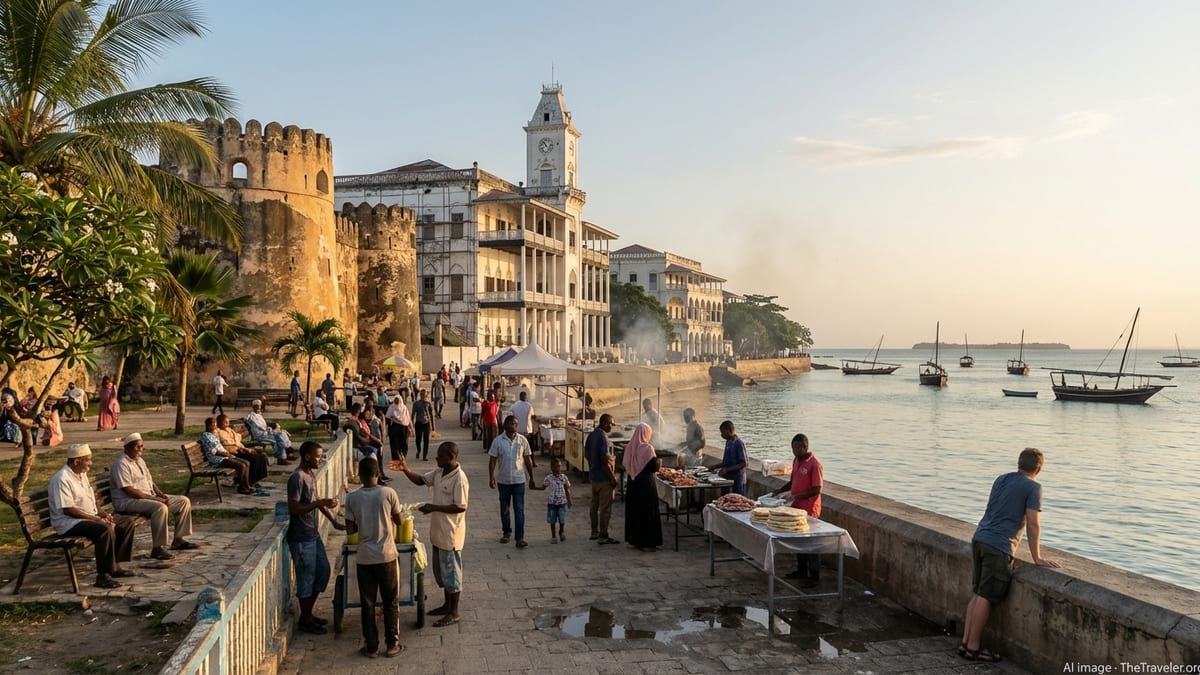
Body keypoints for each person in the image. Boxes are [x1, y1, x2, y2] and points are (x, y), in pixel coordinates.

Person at [959, 448, 1061, 663]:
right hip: (999, 545)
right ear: (1039, 468)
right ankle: (974, 648)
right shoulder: (1034, 487)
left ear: (1018, 464)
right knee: (986, 597)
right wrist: (1037, 557)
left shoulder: (1001, 479)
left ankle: (966, 643)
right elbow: (1033, 523)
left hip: (980, 538)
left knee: (978, 593)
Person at [393, 442, 468, 628]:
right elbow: (420, 480)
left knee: (452, 574)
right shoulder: (439, 473)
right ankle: (446, 605)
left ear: (450, 457)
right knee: (443, 573)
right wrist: (405, 469)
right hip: (438, 532)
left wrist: (433, 507)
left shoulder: (459, 478)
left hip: (451, 534)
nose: (437, 459)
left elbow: (460, 506)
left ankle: (454, 611)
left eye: (440, 456)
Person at [48, 444, 137, 588]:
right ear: (76, 461)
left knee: (126, 522)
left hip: (88, 517)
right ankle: (103, 576)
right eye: (88, 460)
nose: (91, 463)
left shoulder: (81, 474)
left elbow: (91, 500)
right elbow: (68, 510)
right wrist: (97, 519)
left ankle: (114, 566)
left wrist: (103, 514)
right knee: (104, 529)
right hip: (69, 523)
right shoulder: (62, 478)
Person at [343, 457, 406, 658]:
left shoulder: (352, 498)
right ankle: (392, 644)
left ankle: (371, 647)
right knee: (390, 601)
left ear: (359, 476)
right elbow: (399, 521)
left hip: (364, 558)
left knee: (367, 603)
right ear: (378, 474)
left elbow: (350, 529)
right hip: (386, 555)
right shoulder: (388, 493)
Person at [287, 441, 345, 634]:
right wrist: (320, 502)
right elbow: (294, 507)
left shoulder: (310, 475)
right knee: (306, 578)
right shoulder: (297, 477)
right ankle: (305, 619)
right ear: (307, 456)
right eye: (318, 456)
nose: (321, 460)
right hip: (301, 537)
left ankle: (307, 614)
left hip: (313, 533)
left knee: (323, 572)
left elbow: (316, 501)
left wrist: (333, 520)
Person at [112, 432, 198, 560]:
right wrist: (154, 499)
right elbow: (129, 490)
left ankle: (179, 540)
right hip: (128, 501)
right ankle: (158, 548)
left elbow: (150, 482)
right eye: (137, 447)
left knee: (183, 501)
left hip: (146, 497)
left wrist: (160, 494)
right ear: (127, 448)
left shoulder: (139, 460)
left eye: (142, 446)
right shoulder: (121, 464)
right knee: (160, 507)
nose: (140, 449)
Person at [770, 433, 824, 585]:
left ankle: (814, 575)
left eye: (796, 448)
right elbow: (793, 481)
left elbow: (817, 489)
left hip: (810, 508)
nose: (794, 451)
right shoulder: (796, 461)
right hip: (796, 507)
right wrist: (779, 491)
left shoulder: (814, 464)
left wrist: (799, 496)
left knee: (810, 543)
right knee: (799, 541)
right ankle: (801, 570)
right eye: (792, 449)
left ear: (804, 447)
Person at [488, 415, 534, 548]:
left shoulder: (522, 440)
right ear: (506, 424)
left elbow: (527, 460)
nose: (514, 426)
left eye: (516, 424)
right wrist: (491, 477)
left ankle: (520, 537)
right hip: (503, 481)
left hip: (519, 480)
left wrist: (531, 477)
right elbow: (492, 460)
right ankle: (506, 532)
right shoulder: (498, 441)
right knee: (505, 509)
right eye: (512, 424)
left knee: (519, 510)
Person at [622, 423, 662, 552]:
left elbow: (626, 464)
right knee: (647, 512)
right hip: (646, 484)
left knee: (634, 511)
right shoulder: (648, 448)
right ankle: (647, 543)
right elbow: (654, 467)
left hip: (633, 483)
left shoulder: (629, 447)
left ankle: (633, 541)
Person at [198, 417, 257, 494]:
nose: (215, 426)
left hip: (224, 456)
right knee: (241, 466)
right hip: (217, 460)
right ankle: (242, 488)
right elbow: (214, 451)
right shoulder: (206, 436)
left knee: (246, 463)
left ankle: (247, 485)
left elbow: (220, 447)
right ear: (208, 425)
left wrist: (228, 454)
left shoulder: (213, 435)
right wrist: (227, 454)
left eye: (215, 424)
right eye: (213, 424)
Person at [586, 414, 620, 545]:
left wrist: (593, 466)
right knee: (605, 508)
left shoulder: (592, 435)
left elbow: (587, 454)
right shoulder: (603, 437)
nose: (611, 427)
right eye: (611, 424)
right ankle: (603, 535)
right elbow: (605, 460)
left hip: (594, 476)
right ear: (605, 423)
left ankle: (594, 532)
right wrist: (613, 477)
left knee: (594, 506)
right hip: (603, 478)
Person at [215, 413, 268, 485]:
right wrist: (238, 449)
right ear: (219, 422)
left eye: (228, 422)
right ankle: (248, 482)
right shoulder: (217, 432)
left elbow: (237, 439)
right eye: (225, 422)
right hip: (232, 453)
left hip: (240, 450)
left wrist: (245, 448)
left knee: (261, 456)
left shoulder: (229, 430)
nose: (227, 424)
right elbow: (221, 446)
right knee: (253, 460)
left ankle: (254, 480)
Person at [344, 403, 391, 482]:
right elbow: (360, 436)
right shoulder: (354, 421)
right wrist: (368, 440)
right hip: (359, 446)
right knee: (374, 453)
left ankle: (379, 475)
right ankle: (378, 476)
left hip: (362, 443)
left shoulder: (358, 420)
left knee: (377, 450)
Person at [530, 457, 571, 543]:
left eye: (559, 466)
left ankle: (561, 531)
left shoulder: (564, 478)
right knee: (552, 520)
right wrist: (534, 488)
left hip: (562, 503)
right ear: (551, 468)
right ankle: (553, 536)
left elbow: (567, 489)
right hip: (552, 503)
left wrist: (569, 500)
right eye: (556, 467)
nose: (557, 469)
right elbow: (543, 488)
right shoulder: (549, 478)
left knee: (562, 519)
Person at [245, 400, 294, 465]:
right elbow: (258, 430)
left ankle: (284, 456)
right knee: (279, 437)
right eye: (256, 406)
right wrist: (269, 431)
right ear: (253, 407)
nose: (258, 408)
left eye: (259, 406)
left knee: (281, 433)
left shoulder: (258, 415)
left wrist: (270, 429)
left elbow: (264, 426)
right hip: (260, 435)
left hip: (264, 433)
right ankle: (285, 454)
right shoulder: (252, 417)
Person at [716, 420, 748, 495]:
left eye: (722, 432)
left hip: (737, 479)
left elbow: (744, 463)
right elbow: (726, 461)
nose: (721, 435)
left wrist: (726, 470)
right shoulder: (728, 442)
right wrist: (715, 466)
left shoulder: (738, 443)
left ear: (728, 431)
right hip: (727, 478)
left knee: (737, 500)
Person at [510, 391, 538, 457]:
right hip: (527, 430)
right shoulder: (529, 406)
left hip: (517, 430)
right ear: (525, 397)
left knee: (518, 448)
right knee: (529, 449)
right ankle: (532, 462)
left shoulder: (514, 406)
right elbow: (533, 417)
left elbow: (512, 417)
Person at [384, 395, 410, 461]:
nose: (396, 401)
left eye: (398, 400)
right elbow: (387, 417)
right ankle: (396, 459)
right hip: (394, 428)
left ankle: (403, 456)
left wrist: (411, 428)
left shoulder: (404, 408)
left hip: (404, 428)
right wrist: (391, 420)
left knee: (404, 444)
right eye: (395, 400)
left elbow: (408, 419)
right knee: (395, 445)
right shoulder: (391, 407)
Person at [411, 389, 434, 461]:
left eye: (424, 394)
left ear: (426, 395)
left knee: (426, 440)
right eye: (422, 394)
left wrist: (433, 426)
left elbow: (431, 415)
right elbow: (413, 414)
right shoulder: (416, 403)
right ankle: (418, 450)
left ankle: (424, 455)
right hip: (418, 423)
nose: (423, 396)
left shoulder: (428, 404)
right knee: (418, 439)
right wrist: (411, 425)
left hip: (426, 423)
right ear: (420, 395)